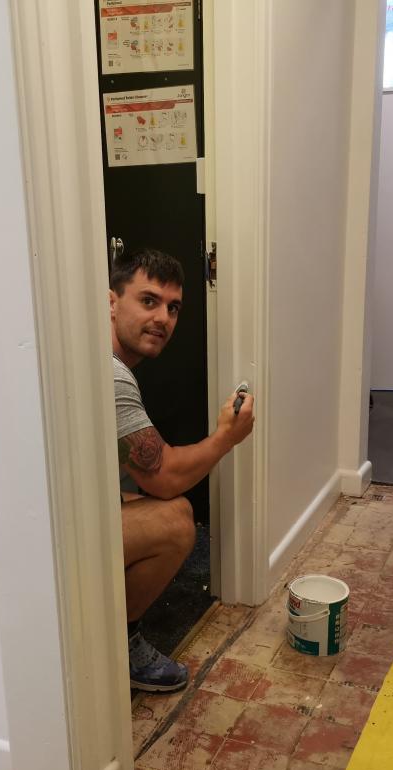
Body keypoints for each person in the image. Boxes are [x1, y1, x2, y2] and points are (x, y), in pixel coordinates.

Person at [110, 248, 255, 692]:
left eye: (173, 308)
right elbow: (165, 477)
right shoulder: (110, 375)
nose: (163, 318)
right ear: (111, 302)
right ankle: (115, 645)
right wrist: (226, 437)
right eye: (148, 301)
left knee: (140, 500)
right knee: (175, 520)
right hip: (39, 541)